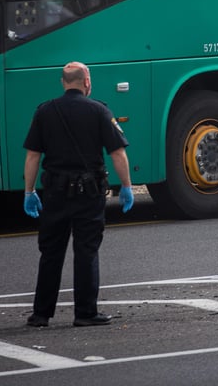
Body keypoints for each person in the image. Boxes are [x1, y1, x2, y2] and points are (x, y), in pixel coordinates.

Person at [22, 61, 134, 328]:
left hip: (55, 194)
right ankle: (85, 313)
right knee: (86, 251)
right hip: (89, 193)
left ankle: (41, 314)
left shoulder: (45, 111)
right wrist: (127, 186)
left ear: (63, 82)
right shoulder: (99, 111)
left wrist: (29, 191)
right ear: (86, 82)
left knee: (51, 253)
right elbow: (117, 153)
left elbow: (33, 156)